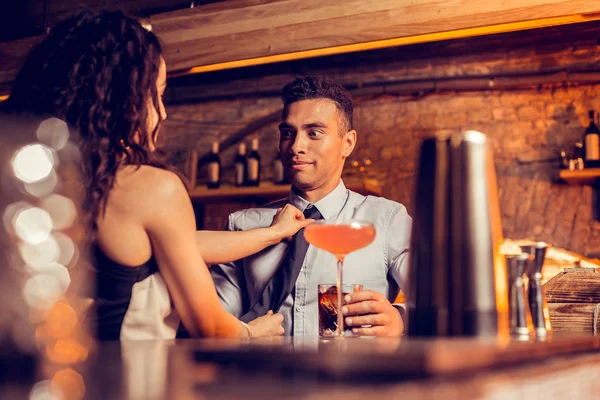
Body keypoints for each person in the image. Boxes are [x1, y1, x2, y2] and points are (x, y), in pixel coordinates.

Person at [3, 11, 313, 340]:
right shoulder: (151, 188)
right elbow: (208, 325)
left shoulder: (34, 183)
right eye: (157, 94)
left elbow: (176, 244)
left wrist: (272, 233)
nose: (163, 113)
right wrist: (251, 333)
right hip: (126, 383)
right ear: (120, 99)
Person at [211, 76, 412, 336]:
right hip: (263, 375)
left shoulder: (386, 220)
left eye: (314, 133)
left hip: (351, 376)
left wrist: (401, 319)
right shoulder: (242, 225)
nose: (296, 146)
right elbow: (214, 321)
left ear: (348, 143)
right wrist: (243, 333)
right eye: (287, 133)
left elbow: (442, 303)